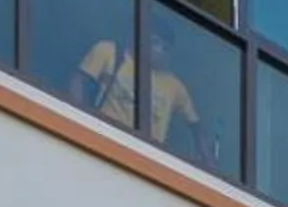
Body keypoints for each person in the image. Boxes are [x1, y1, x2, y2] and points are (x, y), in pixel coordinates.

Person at [70, 21, 206, 160]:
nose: (159, 51)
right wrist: (79, 123)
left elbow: (196, 126)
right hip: (106, 137)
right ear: (141, 37)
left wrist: (211, 168)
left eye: (165, 48)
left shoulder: (174, 86)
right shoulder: (110, 52)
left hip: (148, 156)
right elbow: (80, 81)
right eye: (155, 42)